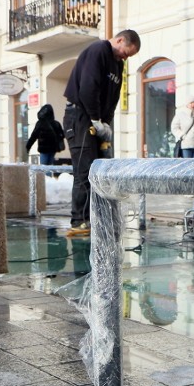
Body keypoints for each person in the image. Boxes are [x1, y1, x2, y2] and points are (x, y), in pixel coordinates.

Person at [62, 29, 141, 236]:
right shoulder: (98, 50)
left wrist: (106, 124)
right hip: (80, 117)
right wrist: (95, 119)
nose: (126, 57)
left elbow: (113, 97)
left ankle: (96, 218)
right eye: (126, 52)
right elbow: (89, 87)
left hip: (96, 120)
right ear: (120, 40)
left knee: (100, 172)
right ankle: (79, 220)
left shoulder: (118, 64)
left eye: (129, 56)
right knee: (85, 171)